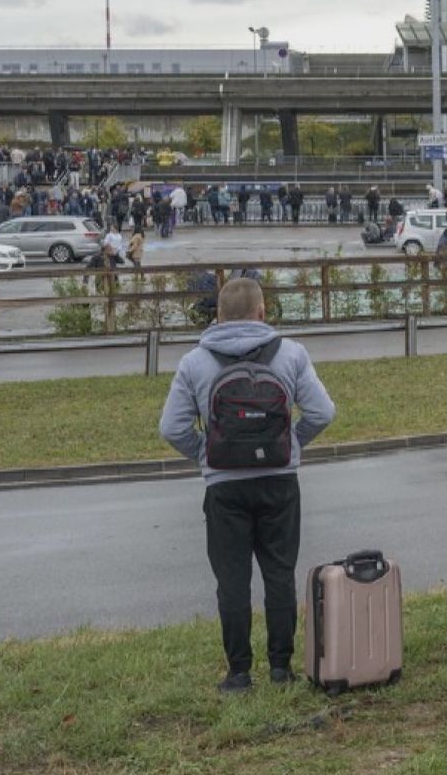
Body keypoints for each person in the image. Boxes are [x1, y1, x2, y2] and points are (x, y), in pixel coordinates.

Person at [158, 277, 336, 693]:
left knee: (232, 580)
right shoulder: (291, 354)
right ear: (262, 312)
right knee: (279, 573)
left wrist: (206, 454)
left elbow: (171, 427)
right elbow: (323, 412)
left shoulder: (194, 363)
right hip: (279, 481)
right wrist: (290, 445)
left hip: (224, 487)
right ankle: (280, 667)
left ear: (218, 317)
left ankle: (239, 672)